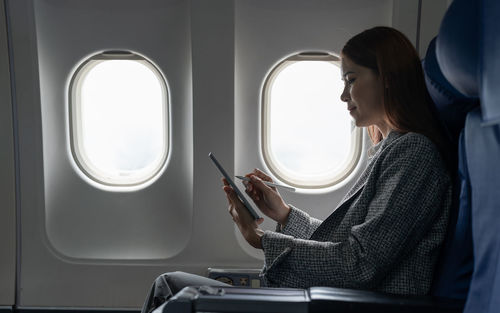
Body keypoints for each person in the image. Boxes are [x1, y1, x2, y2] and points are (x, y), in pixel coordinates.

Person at [141, 26, 452, 313]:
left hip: (353, 306)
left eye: (352, 79)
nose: (344, 95)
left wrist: (260, 239)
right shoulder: (389, 151)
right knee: (171, 288)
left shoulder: (414, 155)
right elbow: (344, 245)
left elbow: (360, 265)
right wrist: (284, 214)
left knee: (170, 288)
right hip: (336, 300)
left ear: (387, 77)